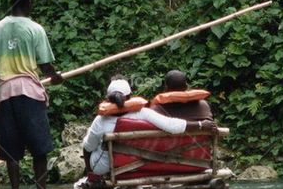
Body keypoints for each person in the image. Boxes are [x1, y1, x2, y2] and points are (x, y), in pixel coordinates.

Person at [0, 0, 64, 189]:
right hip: (29, 93)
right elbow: (45, 66)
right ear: (29, 4)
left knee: (12, 151)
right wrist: (55, 77)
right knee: (40, 149)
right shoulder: (35, 29)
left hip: (5, 96)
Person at [80, 76, 216, 177]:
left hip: (107, 167)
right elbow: (173, 126)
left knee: (87, 143)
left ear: (108, 98)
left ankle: (90, 177)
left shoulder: (100, 120)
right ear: (130, 96)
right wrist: (200, 125)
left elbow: (88, 147)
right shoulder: (143, 113)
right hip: (137, 163)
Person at [149, 69, 214, 121]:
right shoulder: (203, 105)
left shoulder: (157, 110)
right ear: (186, 86)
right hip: (199, 137)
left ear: (166, 87)